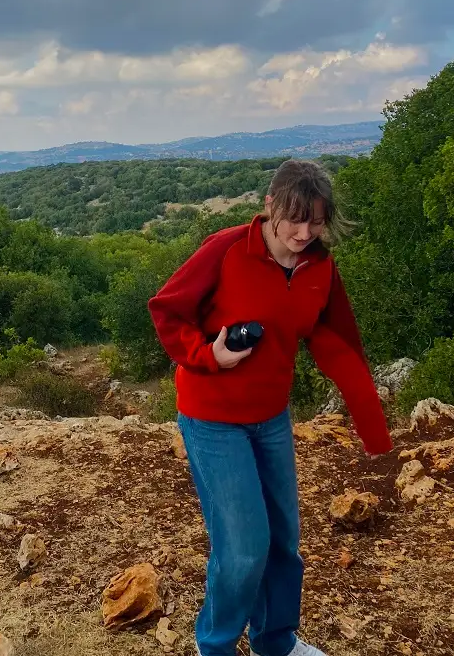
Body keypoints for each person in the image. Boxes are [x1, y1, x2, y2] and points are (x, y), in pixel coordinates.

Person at [148, 159, 392, 656]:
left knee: (283, 541)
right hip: (212, 418)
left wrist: (372, 427)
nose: (304, 233)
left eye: (316, 221)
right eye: (295, 219)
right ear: (270, 206)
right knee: (243, 549)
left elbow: (338, 342)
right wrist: (208, 355)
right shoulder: (226, 248)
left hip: (272, 418)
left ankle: (275, 643)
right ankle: (215, 647)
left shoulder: (319, 268)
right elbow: (167, 310)